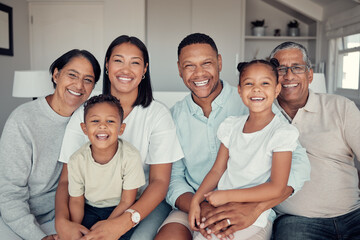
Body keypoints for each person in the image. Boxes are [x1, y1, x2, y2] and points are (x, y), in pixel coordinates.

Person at [155, 33, 310, 240]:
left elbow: (299, 167)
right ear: (179, 69)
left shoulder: (255, 104)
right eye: (190, 65)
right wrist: (200, 205)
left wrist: (256, 207)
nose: (199, 73)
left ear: (219, 62)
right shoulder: (173, 117)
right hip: (192, 205)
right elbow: (174, 179)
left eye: (207, 63)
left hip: (247, 211)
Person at [55, 35, 184, 240]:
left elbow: (159, 182)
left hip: (143, 201)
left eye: (135, 63)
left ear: (144, 70)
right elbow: (66, 180)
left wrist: (121, 223)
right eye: (118, 60)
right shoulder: (85, 112)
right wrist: (62, 221)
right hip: (92, 203)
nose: (126, 69)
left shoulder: (157, 114)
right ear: (107, 65)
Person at [189, 59, 299, 240]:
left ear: (277, 89)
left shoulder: (282, 133)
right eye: (249, 83)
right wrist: (196, 200)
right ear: (239, 90)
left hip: (253, 217)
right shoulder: (231, 126)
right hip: (220, 208)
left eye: (265, 83)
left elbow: (277, 187)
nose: (256, 89)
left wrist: (227, 195)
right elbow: (217, 170)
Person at [0, 49, 101, 240]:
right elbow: (10, 195)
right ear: (56, 75)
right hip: (18, 219)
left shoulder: (91, 121)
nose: (79, 85)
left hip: (66, 215)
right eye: (72, 75)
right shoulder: (23, 120)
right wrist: (38, 237)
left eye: (88, 80)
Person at [269, 41, 360, 239]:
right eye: (281, 69)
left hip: (354, 215)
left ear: (309, 75)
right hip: (297, 220)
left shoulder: (341, 107)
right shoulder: (261, 115)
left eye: (297, 68)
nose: (289, 76)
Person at [68, 94, 145, 239]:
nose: (102, 126)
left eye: (110, 121)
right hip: (90, 209)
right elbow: (76, 201)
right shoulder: (77, 160)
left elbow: (127, 201)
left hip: (120, 210)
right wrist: (75, 229)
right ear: (84, 128)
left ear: (121, 129)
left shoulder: (130, 156)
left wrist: (108, 227)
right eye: (95, 120)